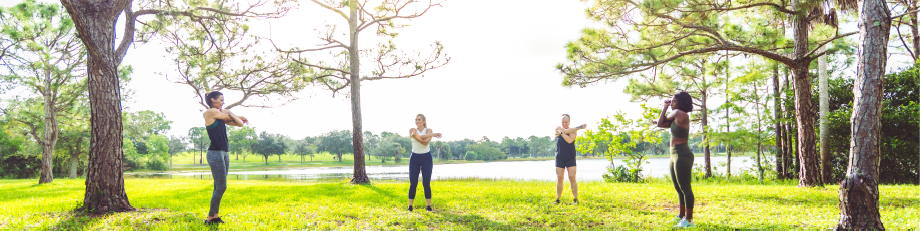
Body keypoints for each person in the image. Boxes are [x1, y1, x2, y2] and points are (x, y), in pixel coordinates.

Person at [201, 91, 247, 224]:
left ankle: (215, 216)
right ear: (213, 101)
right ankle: (209, 218)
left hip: (225, 152)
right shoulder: (209, 112)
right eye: (221, 100)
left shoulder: (219, 116)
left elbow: (239, 123)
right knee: (221, 186)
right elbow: (237, 120)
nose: (223, 102)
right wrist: (232, 113)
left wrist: (233, 114)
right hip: (215, 153)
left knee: (218, 186)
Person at [656, 92, 695, 228]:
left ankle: (689, 221)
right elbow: (660, 124)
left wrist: (665, 107)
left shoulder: (679, 113)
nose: (672, 103)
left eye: (674, 101)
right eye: (671, 101)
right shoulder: (676, 117)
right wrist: (665, 110)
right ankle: (681, 216)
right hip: (674, 154)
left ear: (681, 102)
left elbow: (660, 122)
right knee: (678, 188)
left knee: (685, 187)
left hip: (682, 154)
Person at [407, 114, 442, 212]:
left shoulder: (429, 130)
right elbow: (421, 137)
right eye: (416, 119)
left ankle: (428, 206)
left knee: (426, 183)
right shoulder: (412, 130)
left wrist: (417, 137)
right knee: (413, 183)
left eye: (419, 119)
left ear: (423, 121)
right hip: (414, 157)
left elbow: (425, 142)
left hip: (426, 157)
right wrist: (433, 135)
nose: (417, 121)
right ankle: (410, 206)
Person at [554, 114, 586, 205]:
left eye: (566, 122)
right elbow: (564, 131)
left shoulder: (573, 132)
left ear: (569, 122)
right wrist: (580, 127)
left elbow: (569, 140)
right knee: (560, 178)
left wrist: (562, 132)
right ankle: (558, 199)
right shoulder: (557, 130)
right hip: (559, 157)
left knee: (572, 177)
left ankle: (575, 199)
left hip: (570, 158)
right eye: (563, 122)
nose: (564, 124)